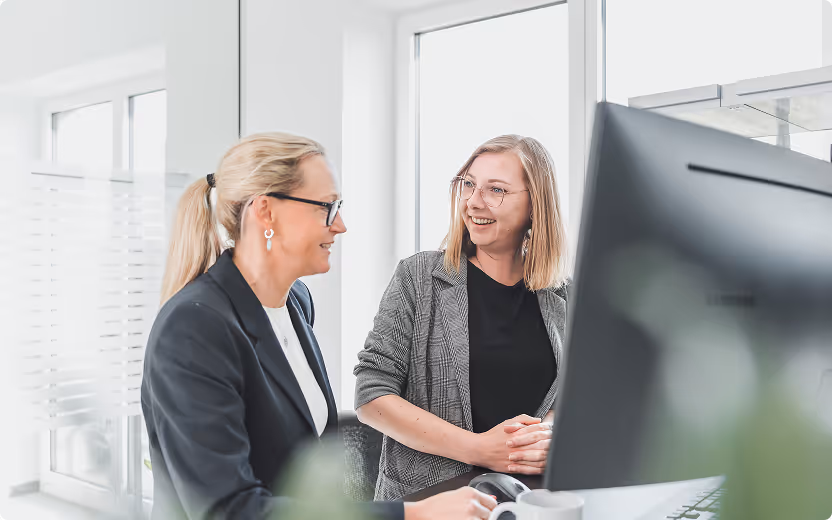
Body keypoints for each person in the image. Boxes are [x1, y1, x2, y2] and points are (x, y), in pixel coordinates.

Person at [141, 133, 497, 520]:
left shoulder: (296, 303)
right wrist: (412, 514)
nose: (340, 225)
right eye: (327, 207)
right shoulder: (193, 329)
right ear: (266, 212)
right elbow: (230, 511)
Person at [354, 135, 570, 500]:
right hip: (430, 500)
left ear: (535, 205)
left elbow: (573, 396)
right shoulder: (419, 277)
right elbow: (371, 395)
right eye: (469, 184)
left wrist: (546, 433)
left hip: (528, 502)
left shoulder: (562, 295)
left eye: (495, 190)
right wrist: (478, 449)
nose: (473, 202)